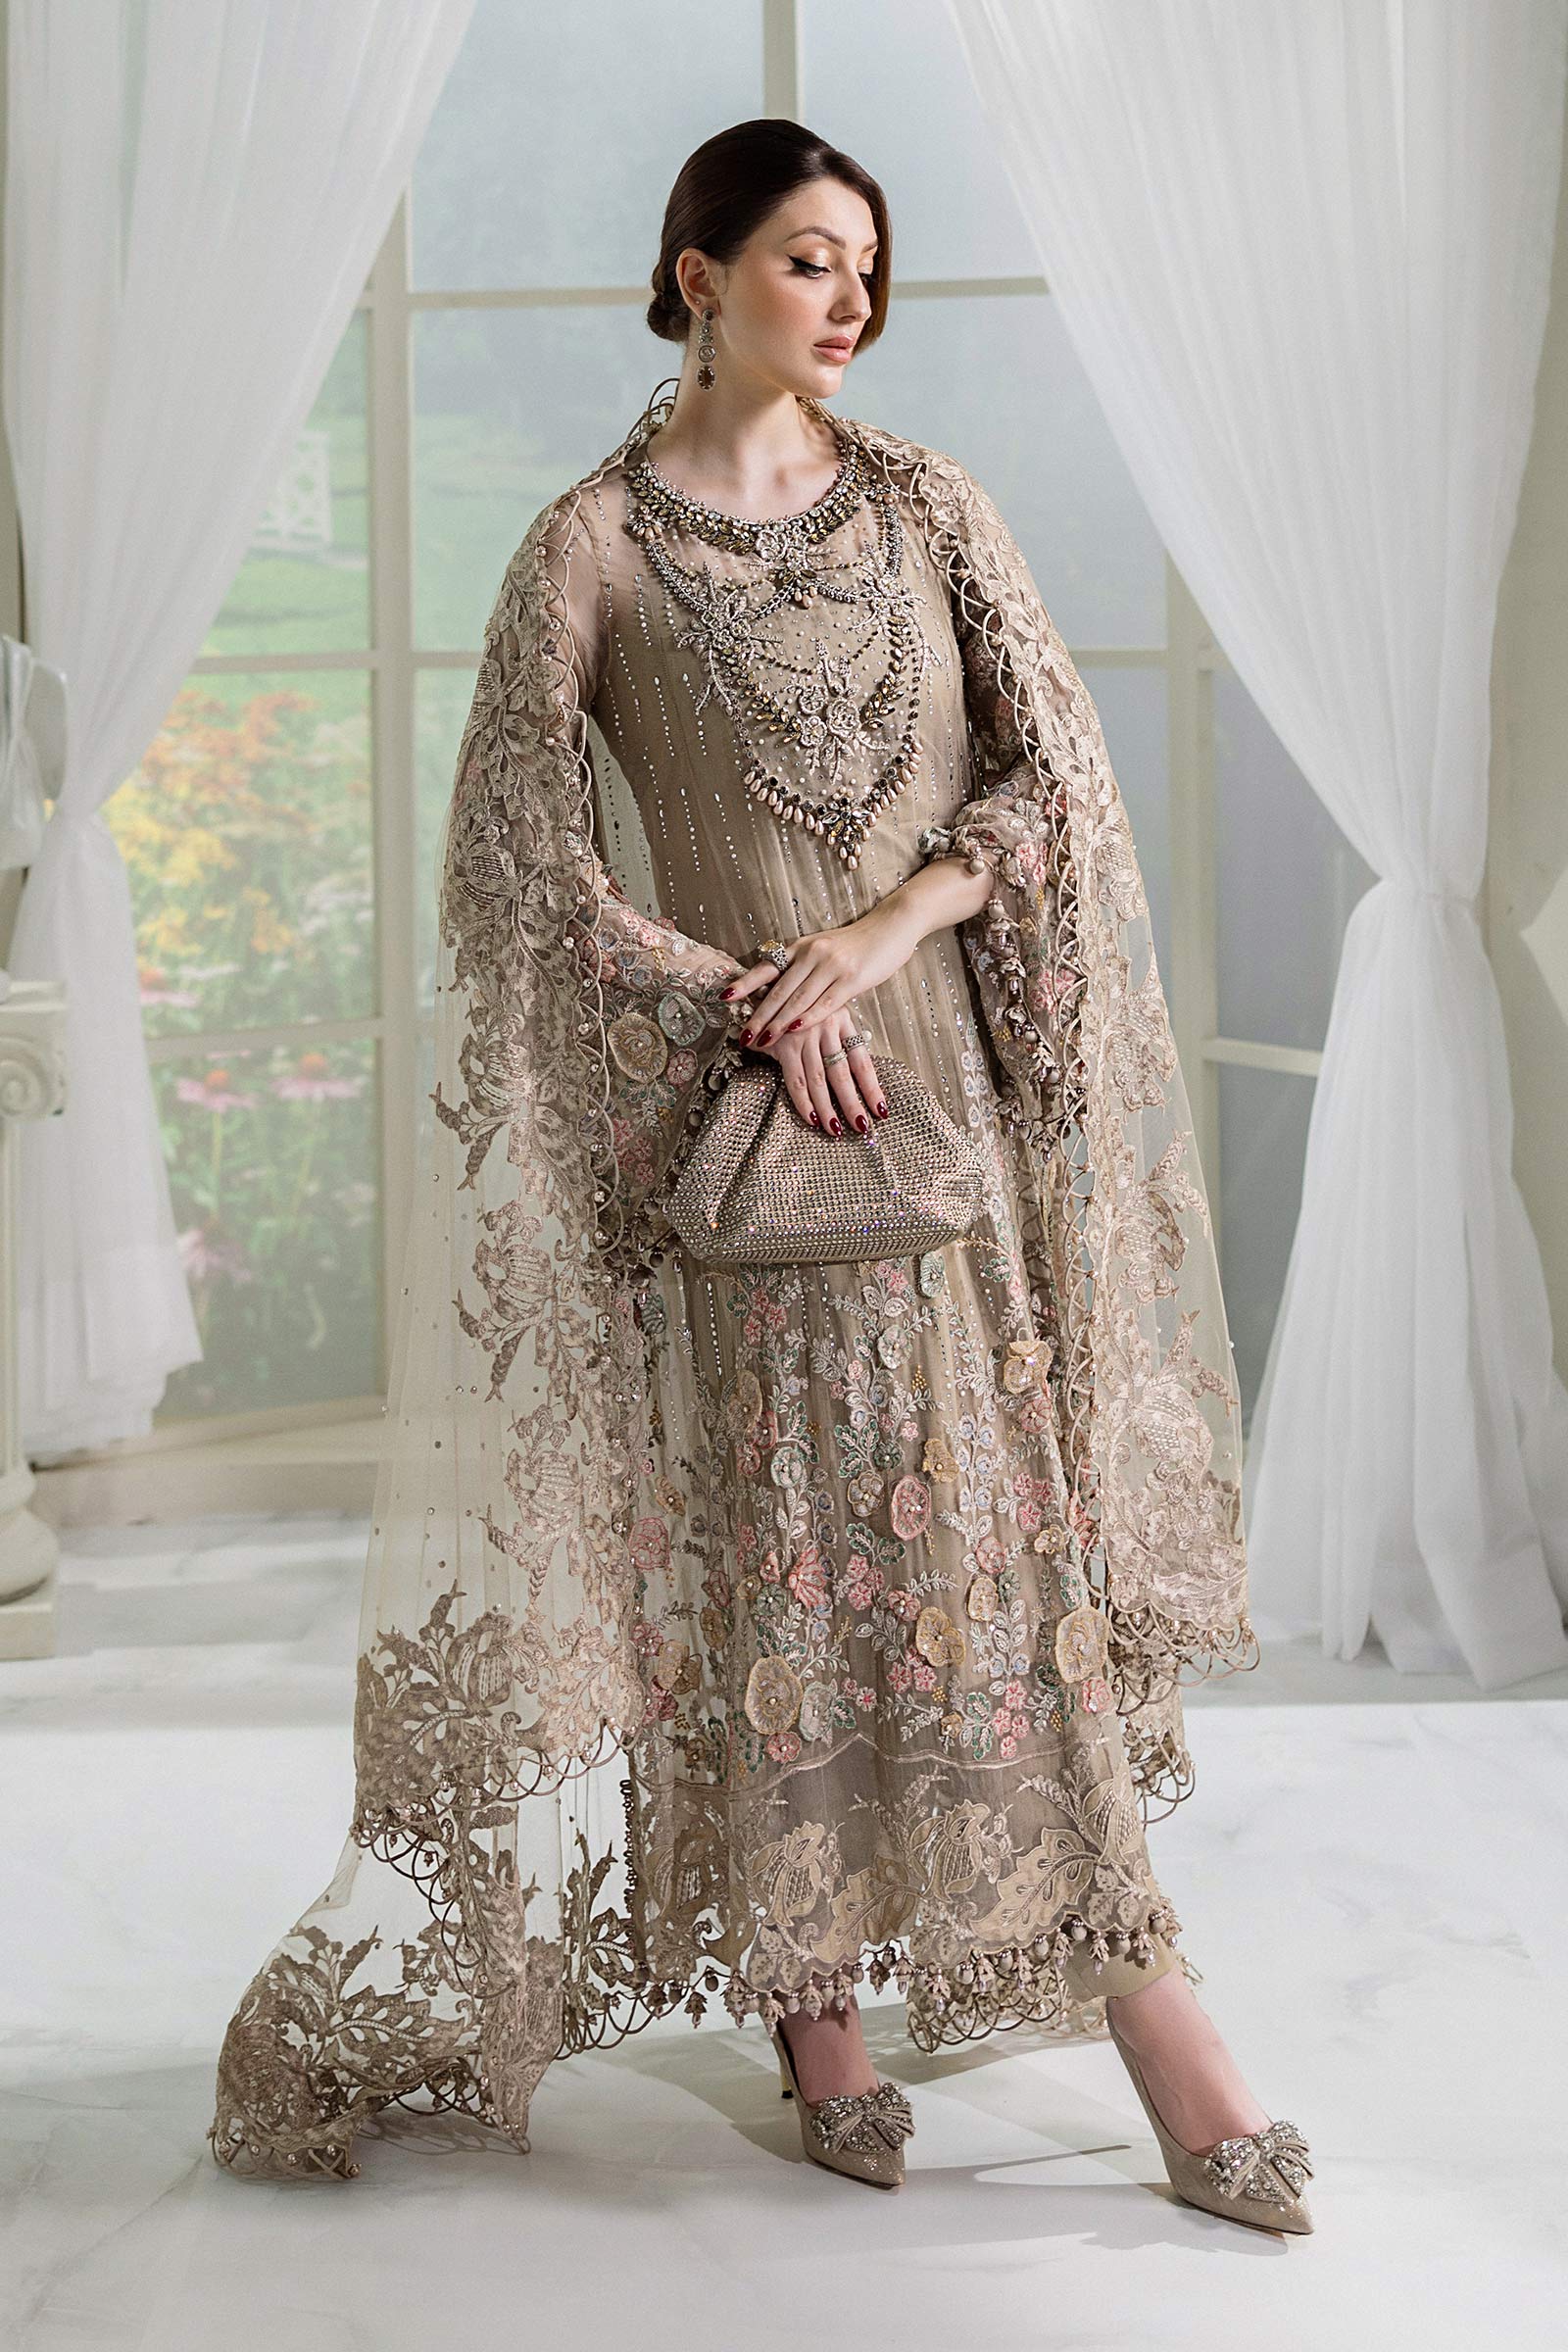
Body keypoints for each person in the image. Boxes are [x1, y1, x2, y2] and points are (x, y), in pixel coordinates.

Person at [210, 119, 1313, 2233]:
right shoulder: (589, 552)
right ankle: (815, 2012)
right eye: (809, 260)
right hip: (737, 1142)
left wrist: (880, 938)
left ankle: (1160, 2024)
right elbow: (516, 873)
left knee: (998, 1573)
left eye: (867, 268)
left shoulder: (928, 508)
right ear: (697, 275)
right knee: (778, 1567)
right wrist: (747, 999)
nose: (850, 301)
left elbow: (1050, 780)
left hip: (936, 1119)